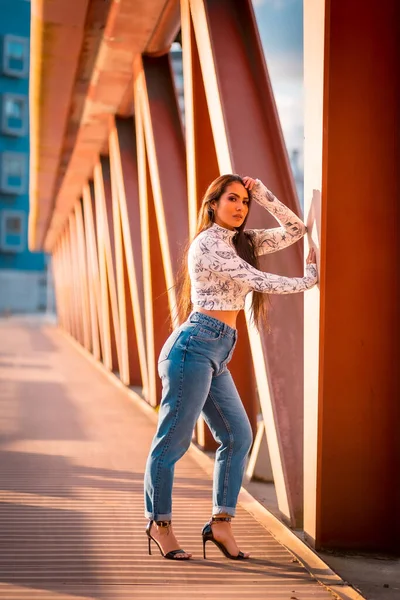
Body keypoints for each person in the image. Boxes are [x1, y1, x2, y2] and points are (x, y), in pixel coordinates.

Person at [144, 174, 317, 560]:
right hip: (193, 348)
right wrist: (307, 282)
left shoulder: (242, 242)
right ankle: (160, 523)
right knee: (172, 442)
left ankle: (221, 524)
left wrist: (263, 194)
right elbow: (254, 280)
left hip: (218, 350)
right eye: (232, 199)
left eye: (244, 201)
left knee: (238, 436)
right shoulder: (207, 244)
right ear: (213, 204)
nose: (240, 207)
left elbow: (295, 229)